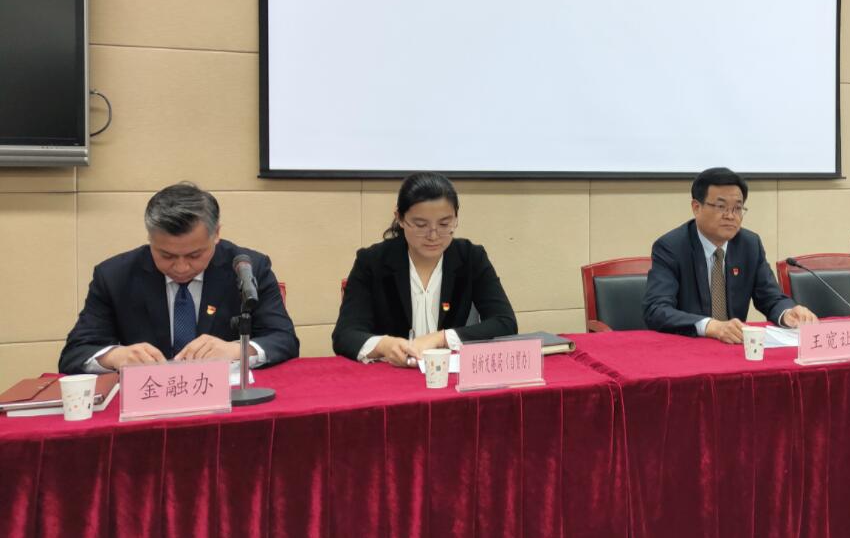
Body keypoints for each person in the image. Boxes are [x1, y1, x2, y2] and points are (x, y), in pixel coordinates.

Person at [59, 182, 298, 373]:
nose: (181, 267)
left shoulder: (248, 267)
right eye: (167, 255)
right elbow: (75, 353)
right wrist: (115, 356)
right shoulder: (114, 276)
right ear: (150, 238)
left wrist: (237, 351)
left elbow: (284, 339)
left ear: (216, 234)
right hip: (148, 402)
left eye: (195, 255)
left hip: (227, 399)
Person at [332, 172, 517, 366]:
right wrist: (385, 345)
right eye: (421, 225)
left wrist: (441, 338)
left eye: (444, 224)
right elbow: (345, 335)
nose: (433, 236)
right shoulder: (372, 261)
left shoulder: (471, 257)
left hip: (448, 375)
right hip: (391, 375)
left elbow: (505, 322)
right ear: (400, 218)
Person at [642, 167, 816, 342]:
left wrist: (787, 313)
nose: (730, 216)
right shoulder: (671, 247)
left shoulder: (749, 245)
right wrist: (710, 326)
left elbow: (771, 298)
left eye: (737, 208)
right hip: (688, 346)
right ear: (696, 207)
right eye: (721, 207)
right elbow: (656, 309)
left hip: (734, 346)